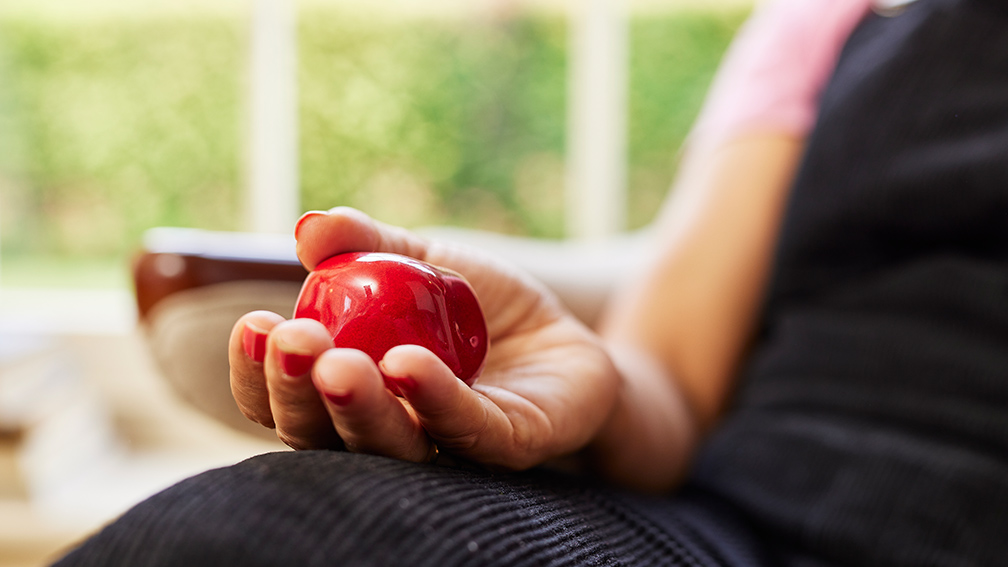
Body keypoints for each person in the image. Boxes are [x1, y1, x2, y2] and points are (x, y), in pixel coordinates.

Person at [54, 0, 1008, 565]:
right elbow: (671, 374)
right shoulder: (832, 21)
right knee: (268, 528)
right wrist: (591, 383)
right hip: (742, 525)